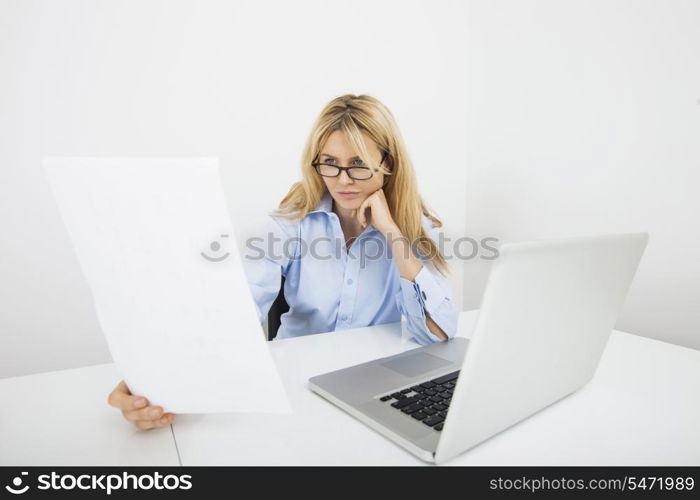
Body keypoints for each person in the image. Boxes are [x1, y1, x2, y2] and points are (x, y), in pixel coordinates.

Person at [108, 94, 459, 430]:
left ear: (388, 164)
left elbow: (436, 335)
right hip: (297, 384)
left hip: (374, 384)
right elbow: (238, 307)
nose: (343, 180)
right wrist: (161, 376)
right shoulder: (293, 221)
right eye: (330, 164)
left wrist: (393, 234)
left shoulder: (412, 227)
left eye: (359, 165)